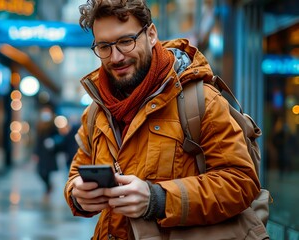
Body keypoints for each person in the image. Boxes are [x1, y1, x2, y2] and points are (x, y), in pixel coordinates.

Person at [63, 0, 262, 239]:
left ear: (151, 34)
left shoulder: (201, 101)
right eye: (104, 46)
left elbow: (241, 183)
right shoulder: (96, 111)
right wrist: (77, 194)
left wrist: (157, 199)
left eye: (126, 41)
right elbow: (76, 173)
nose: (116, 57)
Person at [33, 105, 60, 202]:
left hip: (50, 153)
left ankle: (47, 189)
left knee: (47, 172)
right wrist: (35, 153)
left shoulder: (53, 125)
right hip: (42, 153)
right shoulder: (39, 125)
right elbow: (37, 140)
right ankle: (49, 186)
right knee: (40, 172)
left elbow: (58, 137)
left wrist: (53, 142)